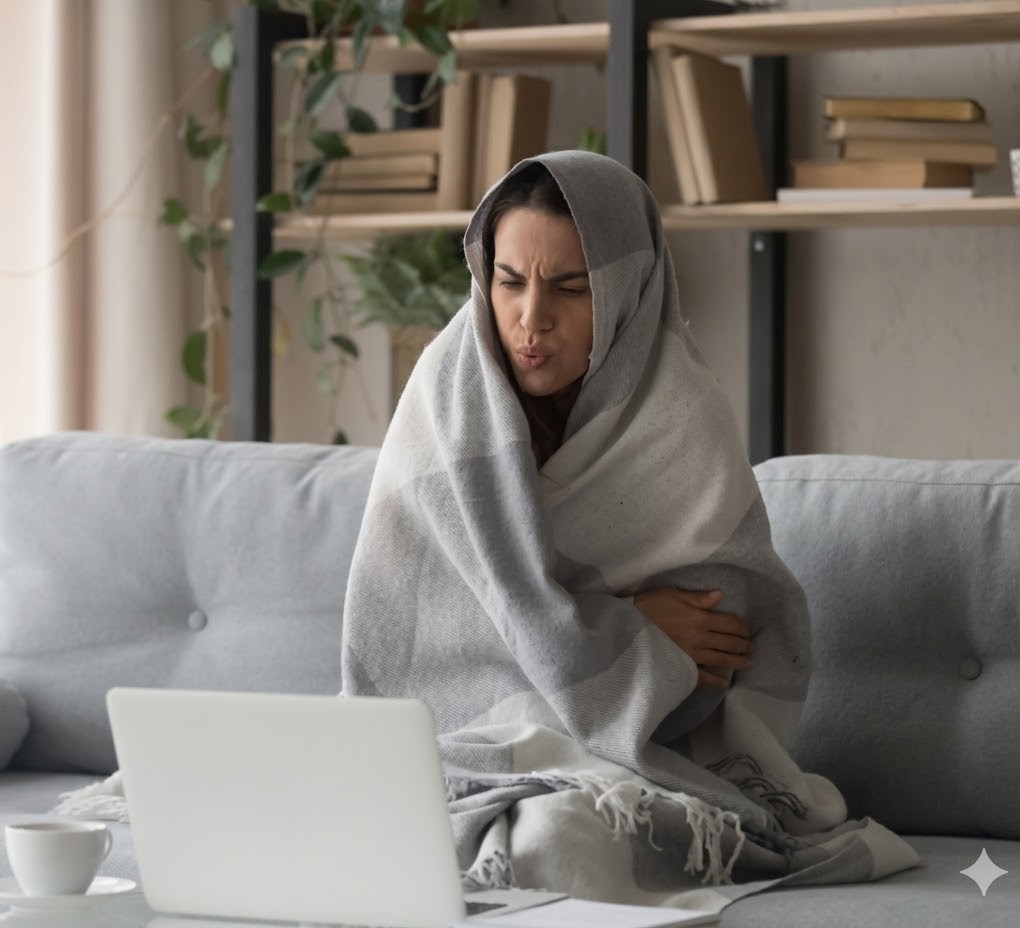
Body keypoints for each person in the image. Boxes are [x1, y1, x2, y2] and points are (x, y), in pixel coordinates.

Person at [341, 151, 916, 911]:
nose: (530, 318)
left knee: (556, 837)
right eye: (508, 281)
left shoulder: (680, 418)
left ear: (626, 292)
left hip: (633, 759)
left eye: (570, 288)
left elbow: (716, 654)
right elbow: (423, 635)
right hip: (451, 742)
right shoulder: (447, 398)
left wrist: (582, 639)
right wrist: (630, 628)